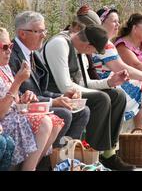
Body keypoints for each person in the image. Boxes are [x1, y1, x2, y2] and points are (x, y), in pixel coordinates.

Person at [43, 24, 135, 171]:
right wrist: (101, 92)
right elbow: (65, 86)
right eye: (94, 50)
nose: (92, 53)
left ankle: (108, 153)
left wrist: (109, 82)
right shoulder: (59, 44)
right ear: (88, 46)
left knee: (118, 95)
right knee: (102, 99)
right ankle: (92, 154)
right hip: (53, 93)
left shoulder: (79, 50)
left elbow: (84, 83)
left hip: (71, 91)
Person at [9, 11, 90, 148]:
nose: (44, 35)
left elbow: (42, 90)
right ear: (22, 33)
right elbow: (20, 95)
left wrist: (63, 96)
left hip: (37, 103)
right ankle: (48, 161)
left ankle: (63, 158)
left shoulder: (33, 52)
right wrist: (53, 101)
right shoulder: (11, 55)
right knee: (64, 113)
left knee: (83, 111)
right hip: (21, 108)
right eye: (39, 31)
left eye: (44, 30)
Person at [0, 27, 63, 171]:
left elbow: (11, 97)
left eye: (10, 46)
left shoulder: (4, 68)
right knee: (44, 123)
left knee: (56, 122)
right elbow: (1, 113)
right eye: (4, 47)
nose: (9, 50)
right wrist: (18, 82)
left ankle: (31, 166)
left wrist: (24, 98)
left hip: (14, 114)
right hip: (4, 121)